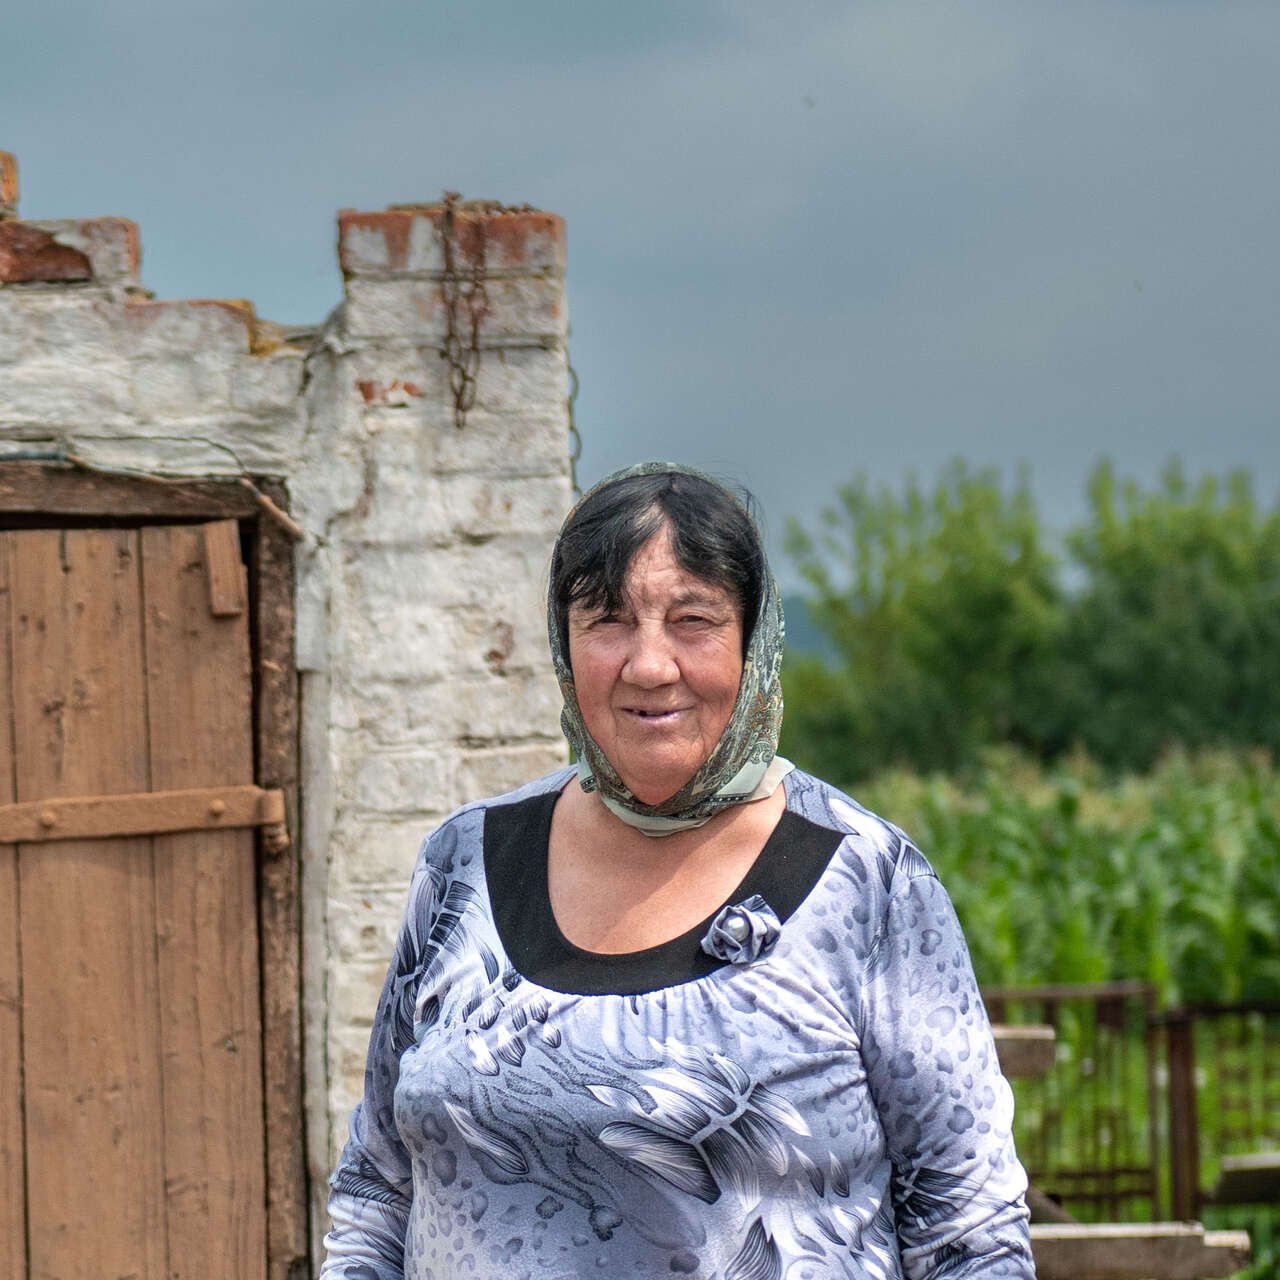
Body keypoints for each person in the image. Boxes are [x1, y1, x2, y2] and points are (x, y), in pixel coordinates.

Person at [320, 462, 1035, 1279]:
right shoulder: (466, 866)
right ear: (563, 644)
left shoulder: (867, 884)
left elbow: (969, 1235)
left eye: (693, 620)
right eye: (608, 621)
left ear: (755, 641)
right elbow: (377, 1189)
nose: (650, 665)